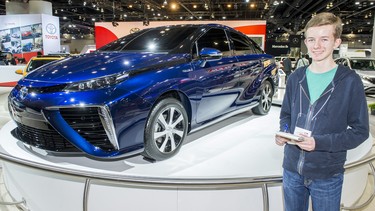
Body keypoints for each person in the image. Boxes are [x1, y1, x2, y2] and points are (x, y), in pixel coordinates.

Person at [275, 12, 369, 211]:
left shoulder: (350, 81)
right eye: (311, 39)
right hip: (292, 170)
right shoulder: (296, 78)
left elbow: (360, 131)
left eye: (324, 39)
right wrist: (284, 132)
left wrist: (320, 143)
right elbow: (286, 115)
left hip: (327, 175)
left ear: (336, 42)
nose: (316, 46)